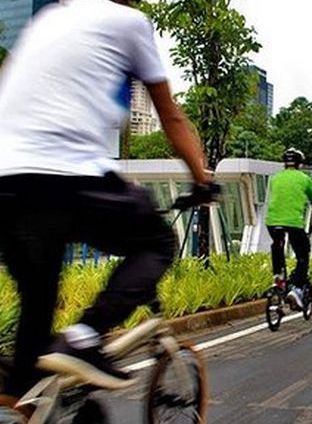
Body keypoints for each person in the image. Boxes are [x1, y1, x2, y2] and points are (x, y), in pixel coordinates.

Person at [0, 0, 213, 415]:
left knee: (33, 345)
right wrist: (202, 179)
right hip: (66, 180)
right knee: (155, 241)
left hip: (6, 184)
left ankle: (20, 400)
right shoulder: (131, 22)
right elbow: (170, 117)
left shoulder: (50, 18)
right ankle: (86, 337)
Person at [265, 148, 312, 308]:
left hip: (272, 222)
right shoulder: (304, 179)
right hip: (293, 223)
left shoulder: (275, 178)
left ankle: (278, 278)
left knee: (277, 245)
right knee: (302, 254)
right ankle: (297, 288)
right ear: (300, 164)